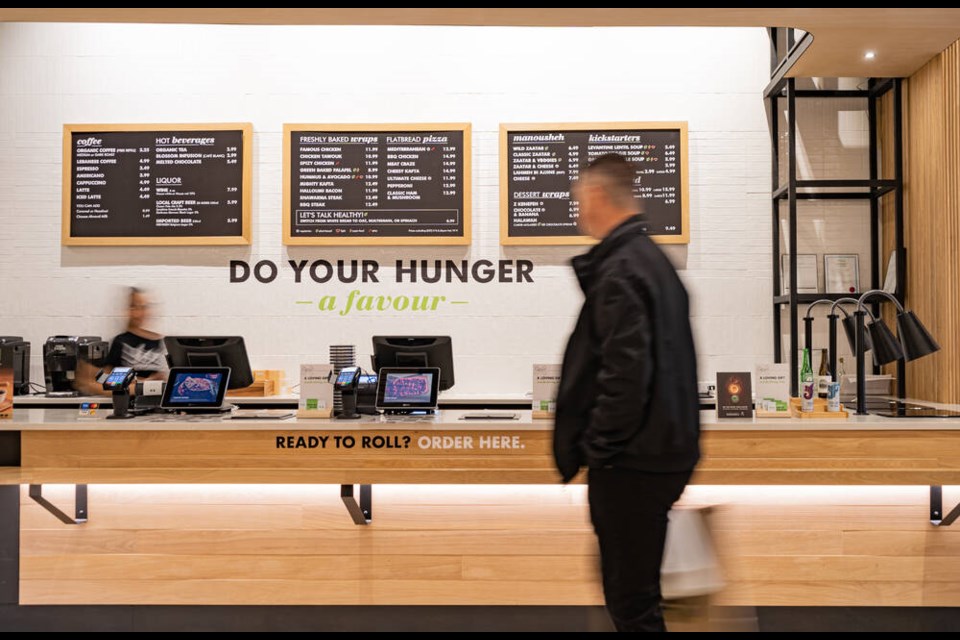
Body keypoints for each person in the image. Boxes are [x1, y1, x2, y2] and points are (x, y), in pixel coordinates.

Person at [553, 154, 701, 632]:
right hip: (658, 453)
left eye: (578, 200)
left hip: (632, 461)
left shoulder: (620, 269)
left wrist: (600, 447)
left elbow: (625, 374)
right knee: (633, 590)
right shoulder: (652, 260)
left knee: (631, 600)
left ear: (596, 195)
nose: (578, 212)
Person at [76, 287, 167, 395]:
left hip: (155, 400)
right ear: (128, 310)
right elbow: (106, 381)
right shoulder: (121, 341)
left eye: (143, 307)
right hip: (129, 401)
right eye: (134, 307)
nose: (139, 313)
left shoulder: (160, 342)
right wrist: (142, 383)